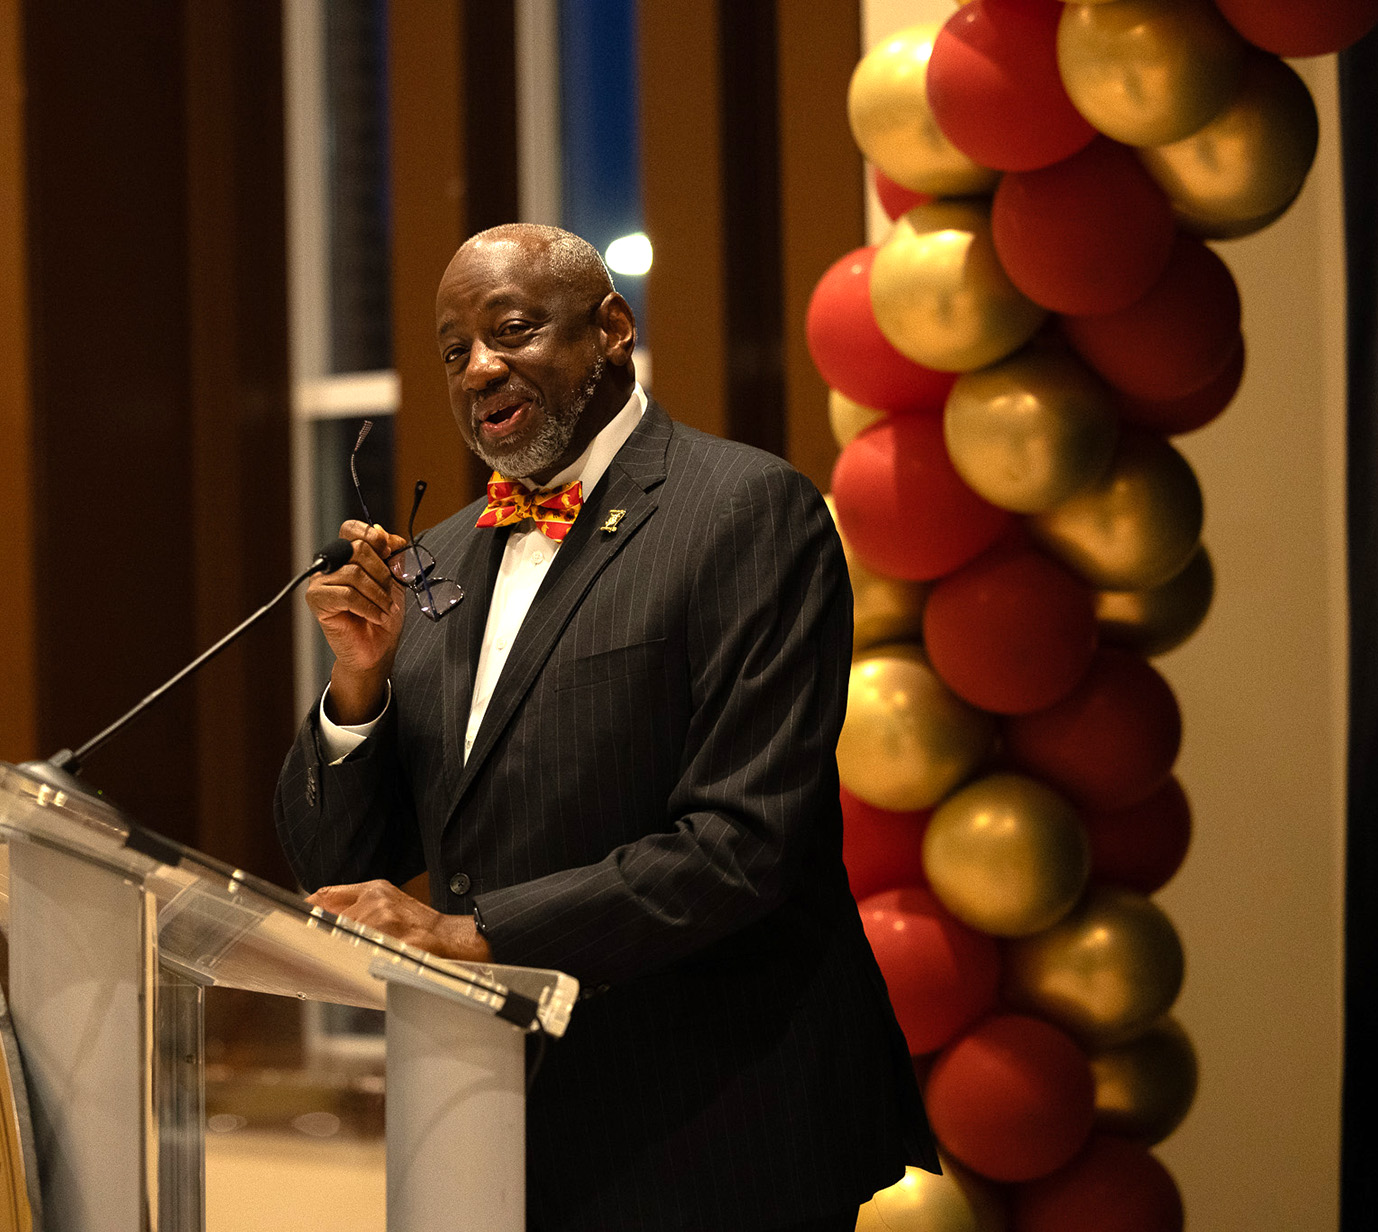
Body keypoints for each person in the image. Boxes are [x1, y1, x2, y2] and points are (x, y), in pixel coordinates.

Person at [276, 224, 935, 1232]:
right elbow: (342, 856)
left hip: (716, 1115)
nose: (480, 365)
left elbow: (741, 844)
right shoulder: (443, 562)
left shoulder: (746, 510)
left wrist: (471, 931)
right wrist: (358, 682)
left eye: (512, 328)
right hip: (496, 1119)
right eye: (455, 350)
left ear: (612, 329)